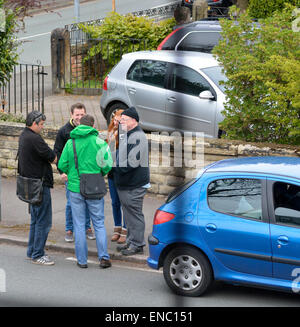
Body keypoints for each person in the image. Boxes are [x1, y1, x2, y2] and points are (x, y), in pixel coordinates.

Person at [58, 114, 113, 269]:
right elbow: (107, 165)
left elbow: (62, 164)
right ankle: (103, 257)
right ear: (93, 126)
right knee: (99, 223)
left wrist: (72, 173)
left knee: (79, 224)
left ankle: (82, 260)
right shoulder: (99, 142)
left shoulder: (70, 143)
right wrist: (98, 174)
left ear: (79, 125)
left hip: (75, 188)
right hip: (95, 187)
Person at [17, 111, 57, 265]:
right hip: (39, 185)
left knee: (35, 220)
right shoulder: (35, 139)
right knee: (44, 221)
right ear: (34, 123)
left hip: (30, 185)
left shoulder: (23, 135)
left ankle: (32, 250)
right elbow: (52, 157)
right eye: (41, 125)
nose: (42, 127)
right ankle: (38, 254)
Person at [54, 103, 95, 242]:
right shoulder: (64, 131)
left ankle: (87, 227)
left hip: (88, 175)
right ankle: (69, 229)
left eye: (82, 114)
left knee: (88, 201)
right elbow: (57, 152)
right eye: (77, 114)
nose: (79, 117)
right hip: (71, 176)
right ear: (71, 115)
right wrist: (61, 172)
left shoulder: (90, 129)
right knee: (71, 203)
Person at [113, 107, 150, 256]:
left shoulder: (138, 137)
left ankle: (137, 244)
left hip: (133, 184)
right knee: (128, 215)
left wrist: (112, 166)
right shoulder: (127, 134)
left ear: (133, 121)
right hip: (126, 183)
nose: (121, 122)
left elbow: (130, 163)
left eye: (124, 119)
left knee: (134, 215)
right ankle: (131, 241)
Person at [106, 110, 127, 244]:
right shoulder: (110, 133)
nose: (115, 122)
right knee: (114, 202)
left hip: (122, 174)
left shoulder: (126, 136)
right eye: (114, 119)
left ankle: (125, 229)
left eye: (118, 121)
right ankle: (117, 227)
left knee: (124, 203)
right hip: (112, 173)